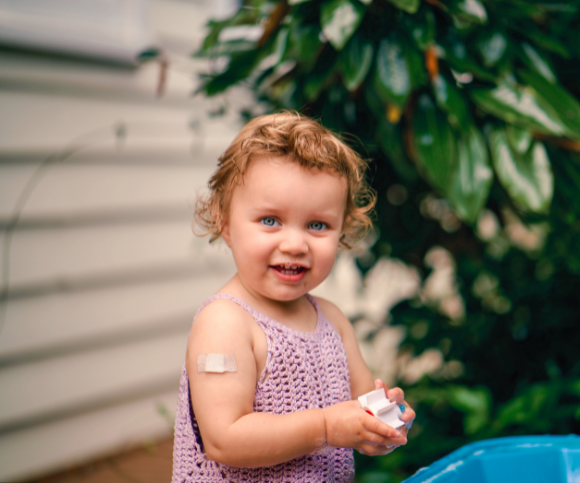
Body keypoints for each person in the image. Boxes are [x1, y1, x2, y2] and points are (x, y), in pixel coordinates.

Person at [172, 112, 415, 483]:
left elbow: (360, 410)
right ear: (225, 221)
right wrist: (324, 427)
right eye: (270, 220)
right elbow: (224, 438)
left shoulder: (333, 321)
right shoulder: (224, 322)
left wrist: (383, 422)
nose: (295, 244)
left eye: (317, 225)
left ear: (343, 231)